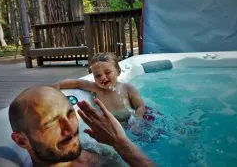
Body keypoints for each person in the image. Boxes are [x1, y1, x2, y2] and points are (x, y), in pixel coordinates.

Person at [9, 86, 156, 167]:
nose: (70, 129)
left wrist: (119, 142)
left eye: (70, 113)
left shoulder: (91, 149)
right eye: (51, 122)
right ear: (21, 141)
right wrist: (123, 145)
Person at [53, 52, 145, 122]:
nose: (103, 77)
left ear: (118, 71)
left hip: (129, 120)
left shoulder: (127, 88)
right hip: (112, 124)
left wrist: (136, 121)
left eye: (107, 72)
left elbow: (140, 106)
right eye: (97, 75)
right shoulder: (95, 88)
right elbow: (77, 83)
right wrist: (58, 85)